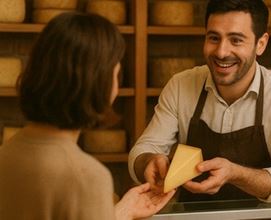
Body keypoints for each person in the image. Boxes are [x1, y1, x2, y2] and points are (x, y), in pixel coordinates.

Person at [128, 0, 271, 203]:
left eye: (236, 40)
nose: (222, 52)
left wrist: (236, 174)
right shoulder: (180, 85)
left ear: (261, 44)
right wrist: (148, 162)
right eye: (214, 38)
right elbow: (143, 149)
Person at [0, 12, 175, 220]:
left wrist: (120, 213)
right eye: (115, 73)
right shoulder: (85, 177)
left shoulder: (8, 152)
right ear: (99, 83)